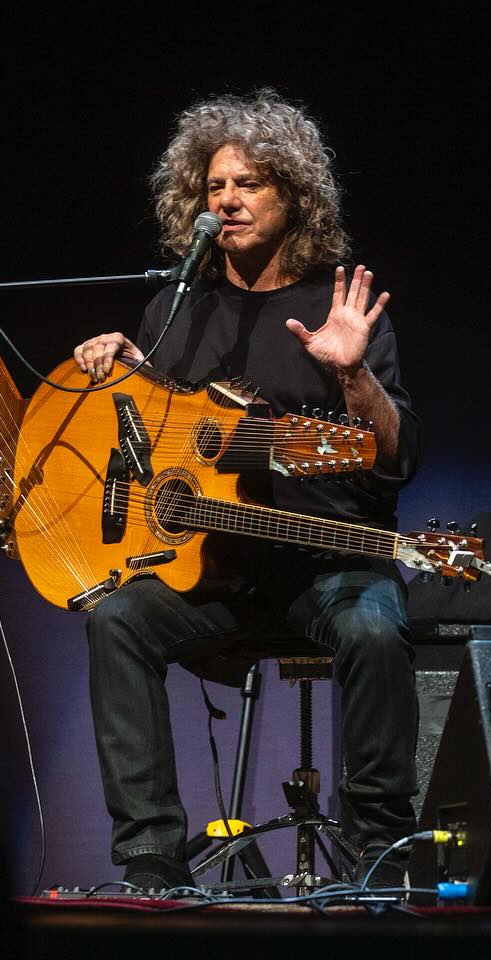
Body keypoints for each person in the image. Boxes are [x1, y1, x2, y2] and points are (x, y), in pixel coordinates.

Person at [71, 89, 422, 892]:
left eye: (250, 184)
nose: (226, 200)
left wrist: (352, 372)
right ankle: (151, 857)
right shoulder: (175, 309)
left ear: (294, 197)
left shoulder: (341, 302)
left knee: (373, 629)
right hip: (217, 573)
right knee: (115, 618)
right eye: (214, 186)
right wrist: (117, 370)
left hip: (328, 567)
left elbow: (398, 457)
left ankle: (377, 852)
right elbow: (148, 443)